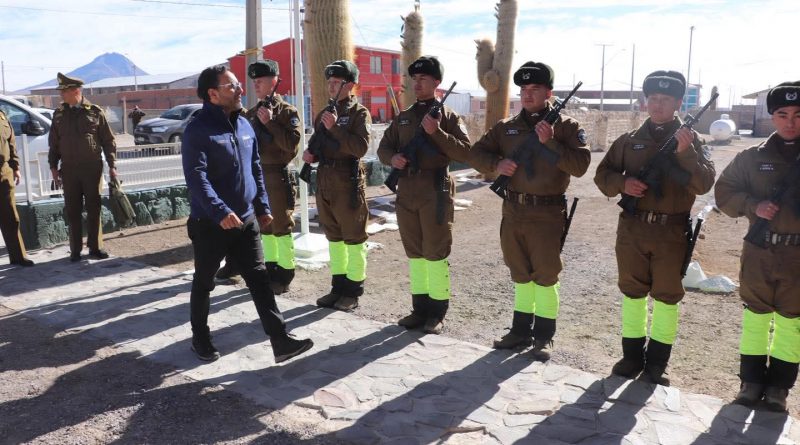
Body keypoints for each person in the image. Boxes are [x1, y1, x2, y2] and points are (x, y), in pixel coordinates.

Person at [182, 64, 313, 363]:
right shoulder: (198, 129)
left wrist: (262, 206)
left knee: (259, 279)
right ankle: (200, 338)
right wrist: (220, 210)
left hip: (246, 220)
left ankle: (280, 341)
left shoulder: (244, 124)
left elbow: (255, 168)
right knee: (204, 281)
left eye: (239, 84)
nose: (241, 89)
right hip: (210, 223)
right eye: (232, 86)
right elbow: (196, 177)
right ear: (213, 94)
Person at [594, 70, 715, 385]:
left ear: (677, 102)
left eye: (666, 99)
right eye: (653, 99)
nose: (658, 105)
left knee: (666, 296)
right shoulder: (629, 140)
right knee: (632, 293)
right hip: (633, 229)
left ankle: (657, 364)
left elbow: (704, 184)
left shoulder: (693, 141)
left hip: (671, 233)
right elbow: (602, 175)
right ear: (645, 101)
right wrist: (624, 183)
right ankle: (631, 357)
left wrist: (685, 153)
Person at [470, 62, 590, 354]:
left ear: (548, 92)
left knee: (546, 275)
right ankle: (520, 331)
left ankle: (544, 336)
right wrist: (496, 165)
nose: (527, 95)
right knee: (519, 272)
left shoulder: (567, 127)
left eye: (535, 89)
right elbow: (475, 153)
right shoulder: (507, 127)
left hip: (547, 213)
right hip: (513, 210)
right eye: (523, 89)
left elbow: (580, 166)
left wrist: (550, 143)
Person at [715, 81, 800, 411]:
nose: (790, 121)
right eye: (782, 114)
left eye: (797, 114)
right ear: (772, 117)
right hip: (759, 251)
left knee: (792, 322)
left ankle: (779, 390)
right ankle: (750, 384)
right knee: (756, 317)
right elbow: (724, 194)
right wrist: (754, 205)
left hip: (797, 255)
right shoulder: (751, 157)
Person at [377, 56, 471, 334]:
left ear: (436, 83)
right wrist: (392, 159)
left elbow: (465, 153)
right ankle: (419, 310)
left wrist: (438, 132)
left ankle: (437, 312)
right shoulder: (404, 117)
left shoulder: (450, 117)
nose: (417, 84)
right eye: (414, 79)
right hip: (407, 191)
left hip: (435, 190)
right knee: (415, 252)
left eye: (423, 79)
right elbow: (384, 148)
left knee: (435, 251)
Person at [216, 60, 302, 296]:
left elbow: (291, 147)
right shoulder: (252, 113)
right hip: (256, 177)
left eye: (260, 81)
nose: (256, 85)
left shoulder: (287, 112)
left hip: (276, 175)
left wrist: (270, 124)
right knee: (265, 228)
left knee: (281, 227)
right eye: (254, 81)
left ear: (274, 80)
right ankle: (270, 269)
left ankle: (284, 274)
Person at [303, 60, 372, 312]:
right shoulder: (325, 113)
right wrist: (311, 155)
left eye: (336, 82)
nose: (331, 87)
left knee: (353, 237)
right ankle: (338, 286)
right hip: (325, 181)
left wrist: (336, 130)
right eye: (329, 82)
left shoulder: (359, 113)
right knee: (333, 237)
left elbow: (360, 147)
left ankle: (353, 290)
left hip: (347, 182)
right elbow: (318, 145)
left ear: (350, 84)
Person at [48, 72, 117, 262]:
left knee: (94, 208)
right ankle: (75, 250)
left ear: (76, 91)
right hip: (69, 170)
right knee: (73, 210)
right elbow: (54, 144)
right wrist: (53, 167)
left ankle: (95, 248)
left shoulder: (95, 112)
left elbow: (108, 141)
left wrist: (112, 165)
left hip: (92, 169)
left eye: (64, 91)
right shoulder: (59, 114)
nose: (61, 95)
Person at [0, 109, 34, 267]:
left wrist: (15, 166)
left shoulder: (1, 115)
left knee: (10, 217)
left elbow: (11, 142)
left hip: (4, 171)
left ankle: (18, 256)